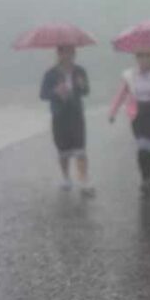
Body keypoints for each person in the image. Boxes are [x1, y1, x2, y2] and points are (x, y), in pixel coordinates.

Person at [109, 52, 150, 192]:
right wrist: (113, 112)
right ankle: (145, 178)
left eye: (147, 56)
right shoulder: (130, 75)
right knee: (142, 148)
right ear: (137, 58)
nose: (144, 60)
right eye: (141, 56)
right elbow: (121, 95)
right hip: (137, 114)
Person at [40, 45, 93, 196]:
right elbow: (43, 94)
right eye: (64, 52)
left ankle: (84, 180)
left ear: (74, 54)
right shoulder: (51, 74)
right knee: (63, 150)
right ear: (59, 54)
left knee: (80, 148)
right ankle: (66, 177)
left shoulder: (79, 71)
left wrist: (82, 86)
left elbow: (86, 91)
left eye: (71, 52)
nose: (68, 55)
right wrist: (55, 92)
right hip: (59, 116)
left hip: (76, 114)